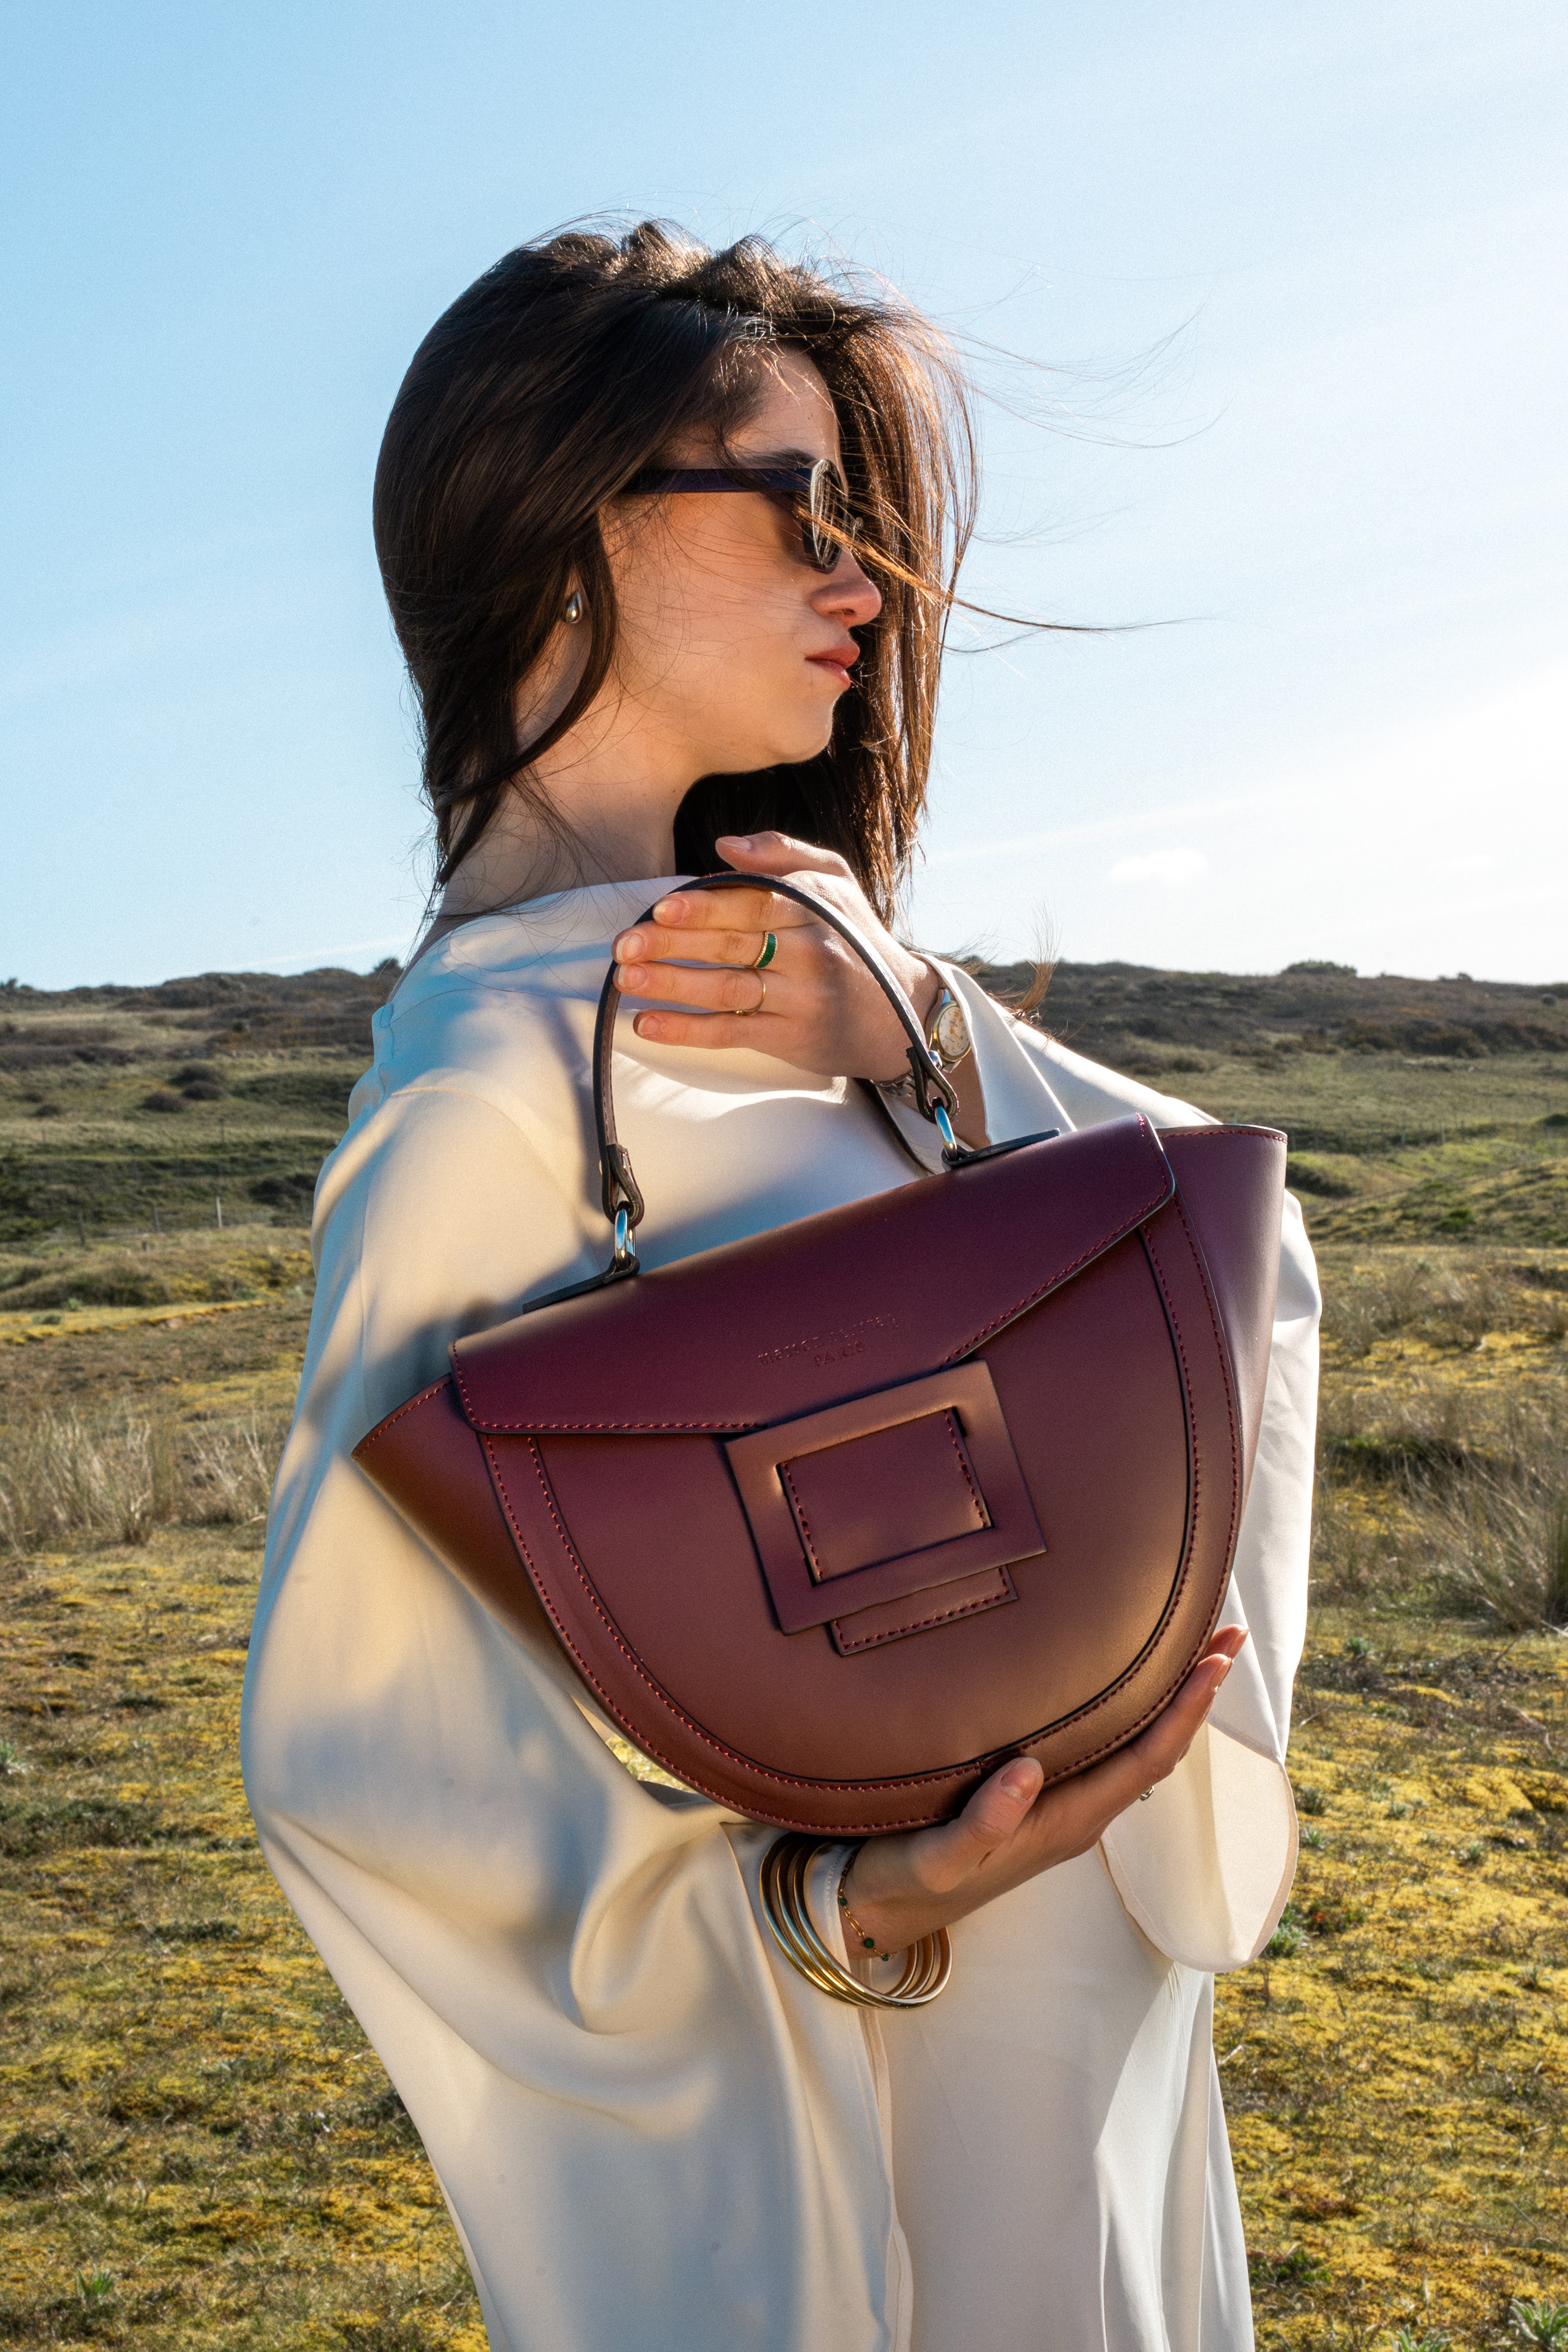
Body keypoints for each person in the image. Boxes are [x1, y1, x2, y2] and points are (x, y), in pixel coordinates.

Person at [241, 221, 1319, 2352]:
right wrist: (855, 1899)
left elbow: (1240, 1250)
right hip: (894, 2066)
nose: (868, 584)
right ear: (566, 531)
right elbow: (386, 1762)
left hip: (1078, 2016)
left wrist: (921, 1028)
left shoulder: (819, 969)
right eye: (803, 510)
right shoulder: (483, 1089)